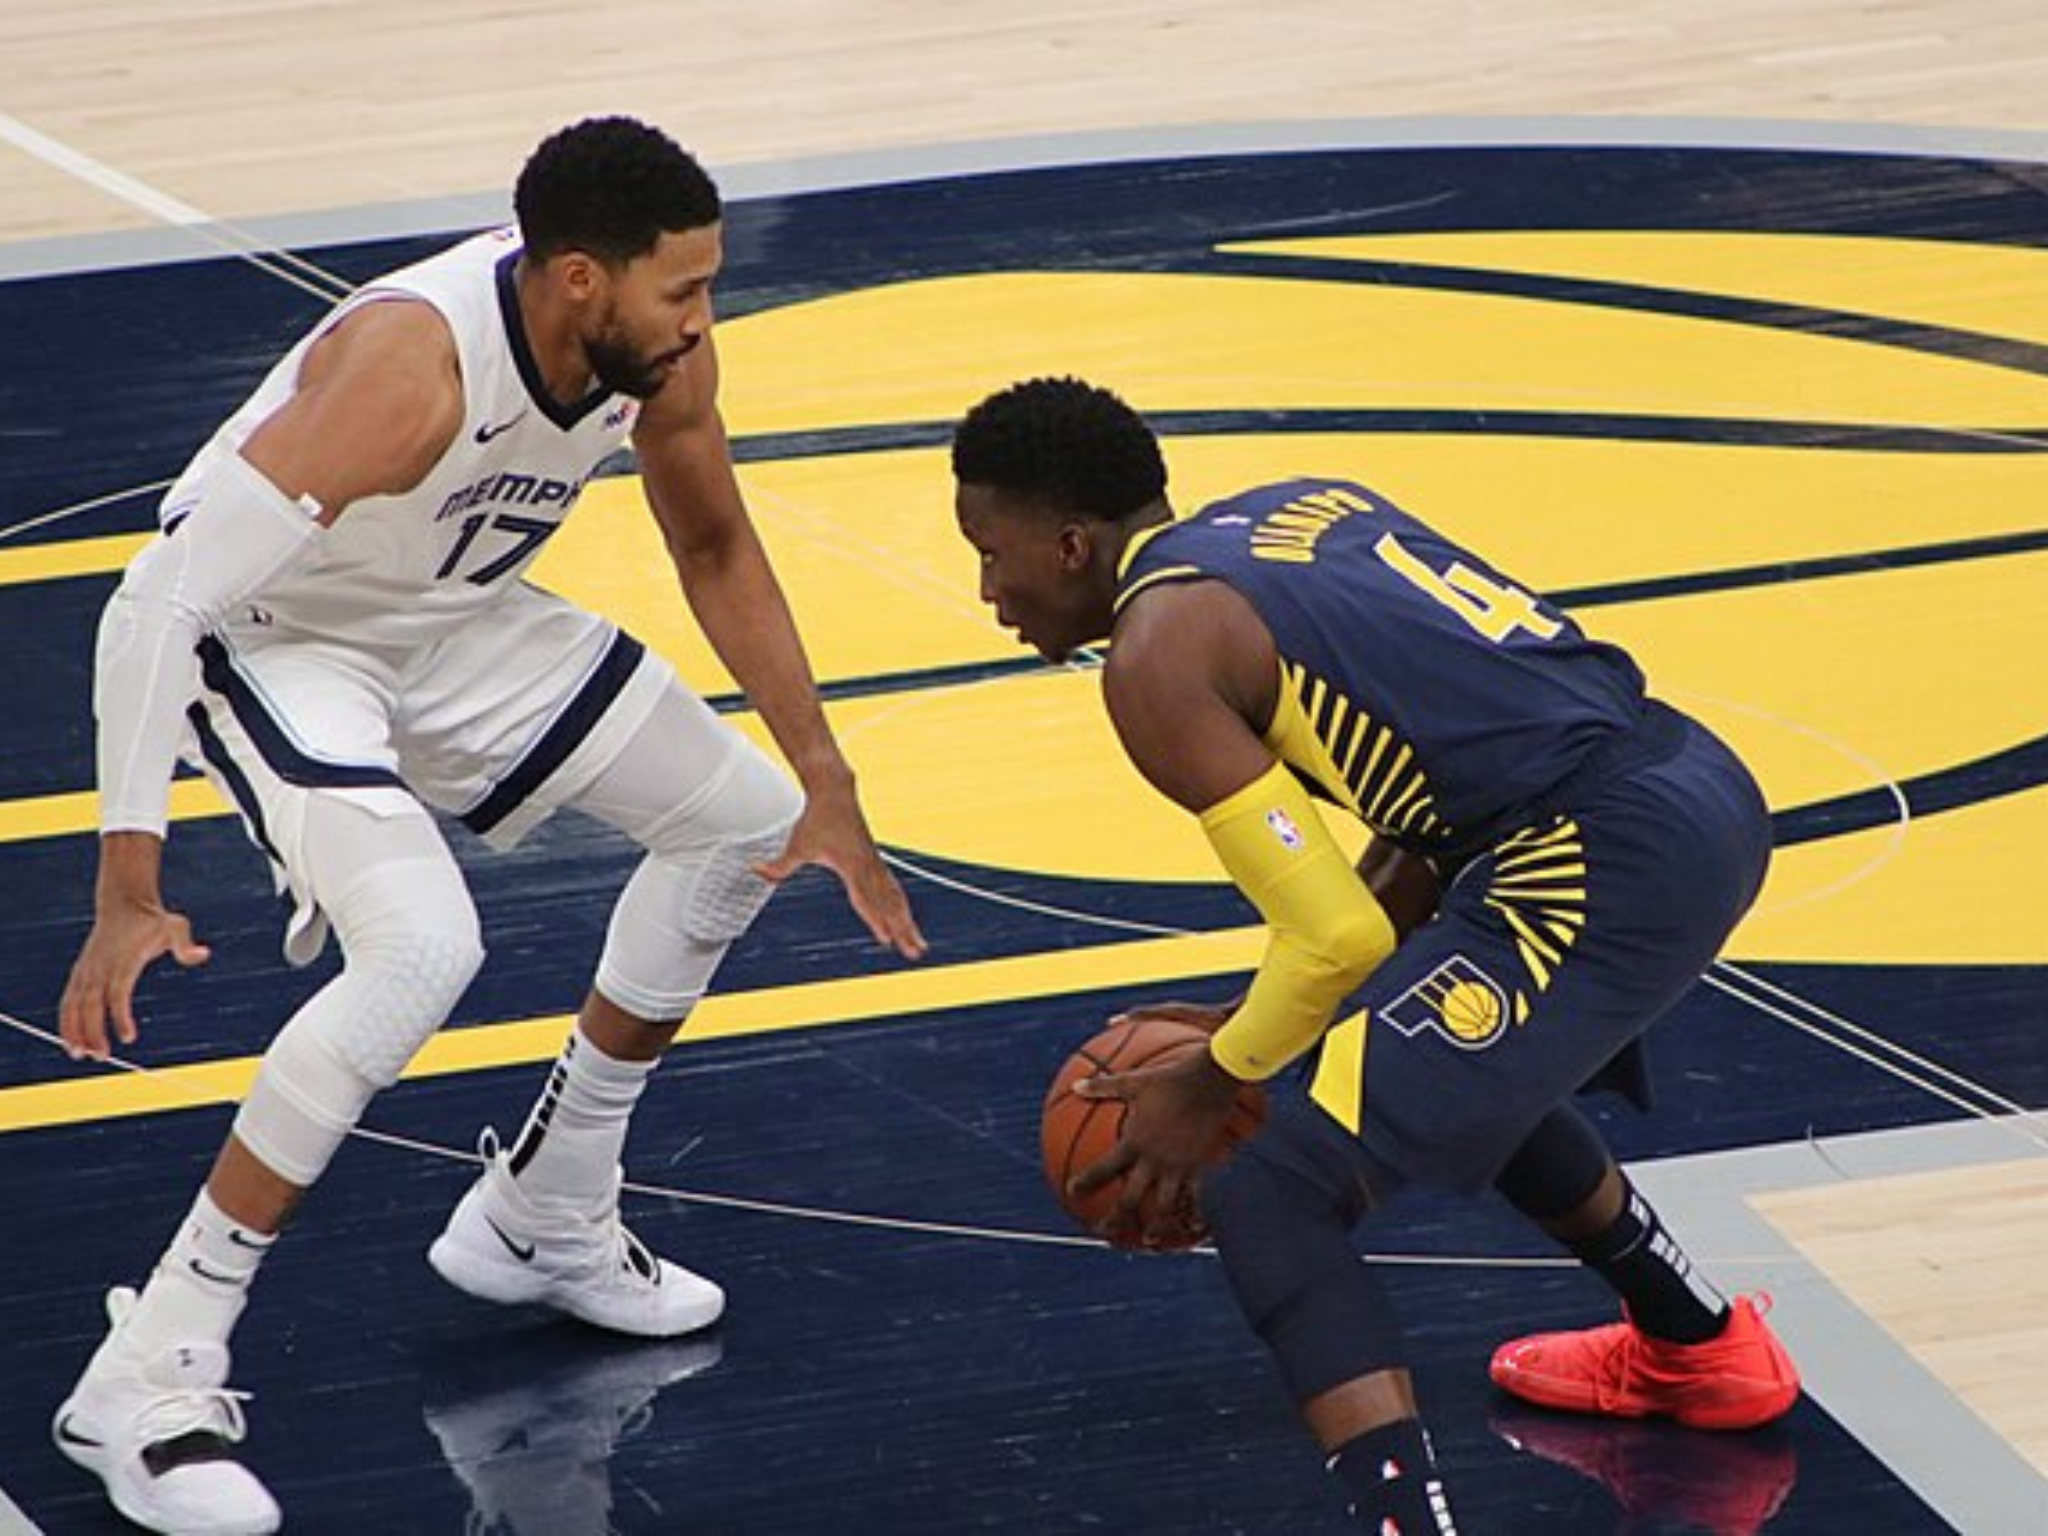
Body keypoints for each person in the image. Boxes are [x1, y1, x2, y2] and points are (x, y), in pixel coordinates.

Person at [54, 116, 925, 1536]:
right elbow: (155, 603)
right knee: (419, 952)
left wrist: (825, 773)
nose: (703, 319)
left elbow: (713, 543)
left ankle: (546, 1206)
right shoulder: (413, 370)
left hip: (445, 623)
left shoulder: (657, 360)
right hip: (277, 641)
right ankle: (148, 1368)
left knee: (742, 822)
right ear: (581, 279)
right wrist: (127, 883)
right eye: (683, 289)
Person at [949, 376, 1799, 1534]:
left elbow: (1333, 933)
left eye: (989, 555)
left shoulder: (1152, 654)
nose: (986, 591)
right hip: (1680, 781)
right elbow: (1417, 826)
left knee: (1267, 1188)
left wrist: (1213, 1079)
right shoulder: (1299, 508)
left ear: (1069, 545)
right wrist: (1268, 1023)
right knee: (1413, 1042)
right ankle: (1698, 1350)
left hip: (1590, 857)